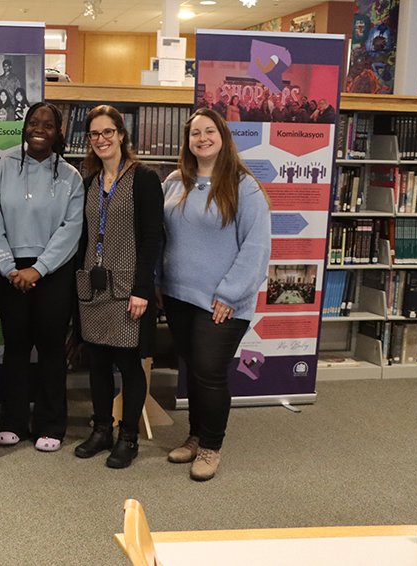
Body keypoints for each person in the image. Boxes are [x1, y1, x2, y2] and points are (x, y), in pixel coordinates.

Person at [159, 108, 271, 481]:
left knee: (209, 371)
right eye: (195, 133)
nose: (202, 138)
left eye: (209, 131)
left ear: (223, 137)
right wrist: (158, 280)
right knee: (193, 368)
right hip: (177, 295)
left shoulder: (244, 186)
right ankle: (194, 436)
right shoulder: (176, 182)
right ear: (187, 141)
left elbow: (255, 248)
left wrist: (230, 293)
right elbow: (161, 236)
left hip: (222, 301)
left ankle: (211, 447)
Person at [0, 102, 84, 452]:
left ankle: (50, 425)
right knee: (15, 349)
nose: (39, 128)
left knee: (50, 351)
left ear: (59, 132)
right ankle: (12, 421)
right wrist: (9, 265)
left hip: (53, 273)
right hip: (10, 271)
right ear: (24, 126)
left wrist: (38, 269)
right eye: (33, 122)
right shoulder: (2, 168)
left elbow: (71, 229)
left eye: (48, 124)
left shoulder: (72, 177)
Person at [71, 105, 163, 469]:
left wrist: (143, 288)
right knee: (97, 363)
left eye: (108, 132)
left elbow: (153, 237)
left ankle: (128, 436)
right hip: (93, 287)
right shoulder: (90, 181)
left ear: (122, 135)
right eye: (94, 134)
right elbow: (85, 235)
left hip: (127, 288)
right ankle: (101, 429)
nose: (101, 140)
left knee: (128, 364)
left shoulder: (143, 179)